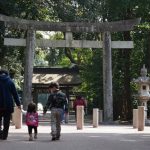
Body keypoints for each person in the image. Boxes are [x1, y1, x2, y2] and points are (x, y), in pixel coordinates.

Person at [0, 69, 21, 140]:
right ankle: (4, 136)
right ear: (7, 74)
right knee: (7, 120)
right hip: (8, 104)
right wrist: (18, 104)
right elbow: (15, 94)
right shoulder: (10, 82)